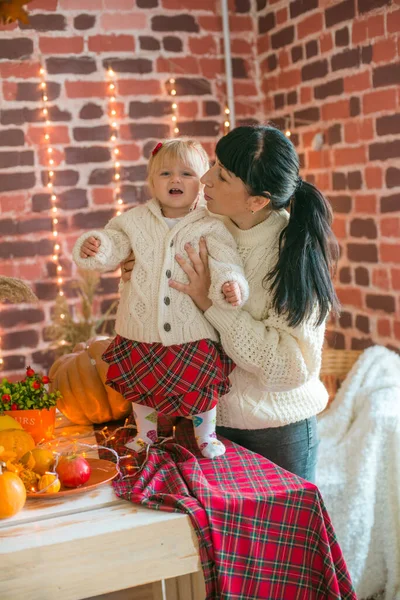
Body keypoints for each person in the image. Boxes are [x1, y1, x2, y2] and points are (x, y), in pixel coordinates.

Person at [121, 125, 339, 482]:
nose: (204, 178)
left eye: (221, 176)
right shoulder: (202, 227)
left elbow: (289, 368)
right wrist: (138, 267)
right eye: (214, 164)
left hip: (275, 434)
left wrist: (213, 303)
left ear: (257, 200)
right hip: (204, 426)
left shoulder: (294, 256)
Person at [72, 137, 249, 459]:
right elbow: (114, 244)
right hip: (141, 327)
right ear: (152, 182)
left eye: (186, 173)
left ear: (202, 184)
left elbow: (227, 262)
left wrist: (230, 283)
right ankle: (146, 433)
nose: (175, 180)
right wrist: (96, 246)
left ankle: (206, 435)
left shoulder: (212, 226)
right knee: (142, 388)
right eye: (165, 174)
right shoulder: (133, 221)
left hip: (192, 329)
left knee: (200, 387)